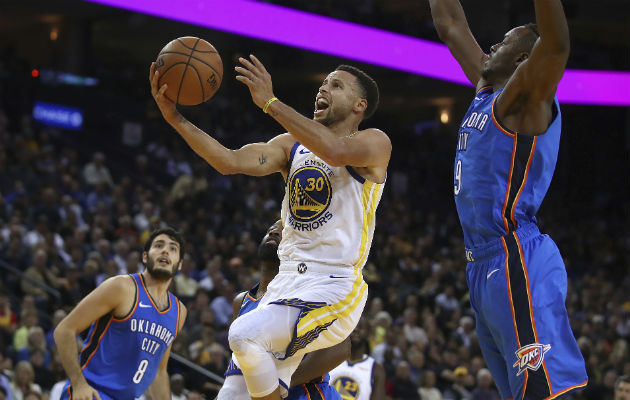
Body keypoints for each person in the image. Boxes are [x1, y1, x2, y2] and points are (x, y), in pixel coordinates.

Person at [151, 50, 391, 400]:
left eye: (336, 86)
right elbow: (229, 161)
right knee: (231, 394)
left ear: (359, 105)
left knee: (243, 334)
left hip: (333, 285)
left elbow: (336, 151)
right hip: (284, 283)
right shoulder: (291, 146)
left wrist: (270, 102)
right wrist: (174, 118)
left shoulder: (373, 142)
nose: (322, 90)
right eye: (322, 84)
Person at [427, 0, 588, 398]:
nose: (489, 47)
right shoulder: (487, 92)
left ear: (522, 59)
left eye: (500, 42)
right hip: (480, 265)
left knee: (546, 391)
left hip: (514, 254)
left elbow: (556, 47)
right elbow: (449, 22)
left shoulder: (525, 100)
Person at [218, 220, 348, 400]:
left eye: (284, 231)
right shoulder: (241, 302)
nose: (274, 232)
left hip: (308, 393)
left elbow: (340, 348)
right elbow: (240, 364)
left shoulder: (308, 293)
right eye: (270, 230)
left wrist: (280, 384)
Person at [54, 227, 188, 400]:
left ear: (180, 263)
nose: (165, 251)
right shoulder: (121, 287)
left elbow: (159, 373)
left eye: (173, 248)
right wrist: (79, 384)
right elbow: (64, 330)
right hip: (92, 392)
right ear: (145, 257)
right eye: (159, 245)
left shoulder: (179, 312)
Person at [329, 318, 387, 400]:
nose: (356, 329)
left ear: (369, 333)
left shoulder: (377, 369)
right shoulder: (330, 359)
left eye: (361, 327)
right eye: (353, 325)